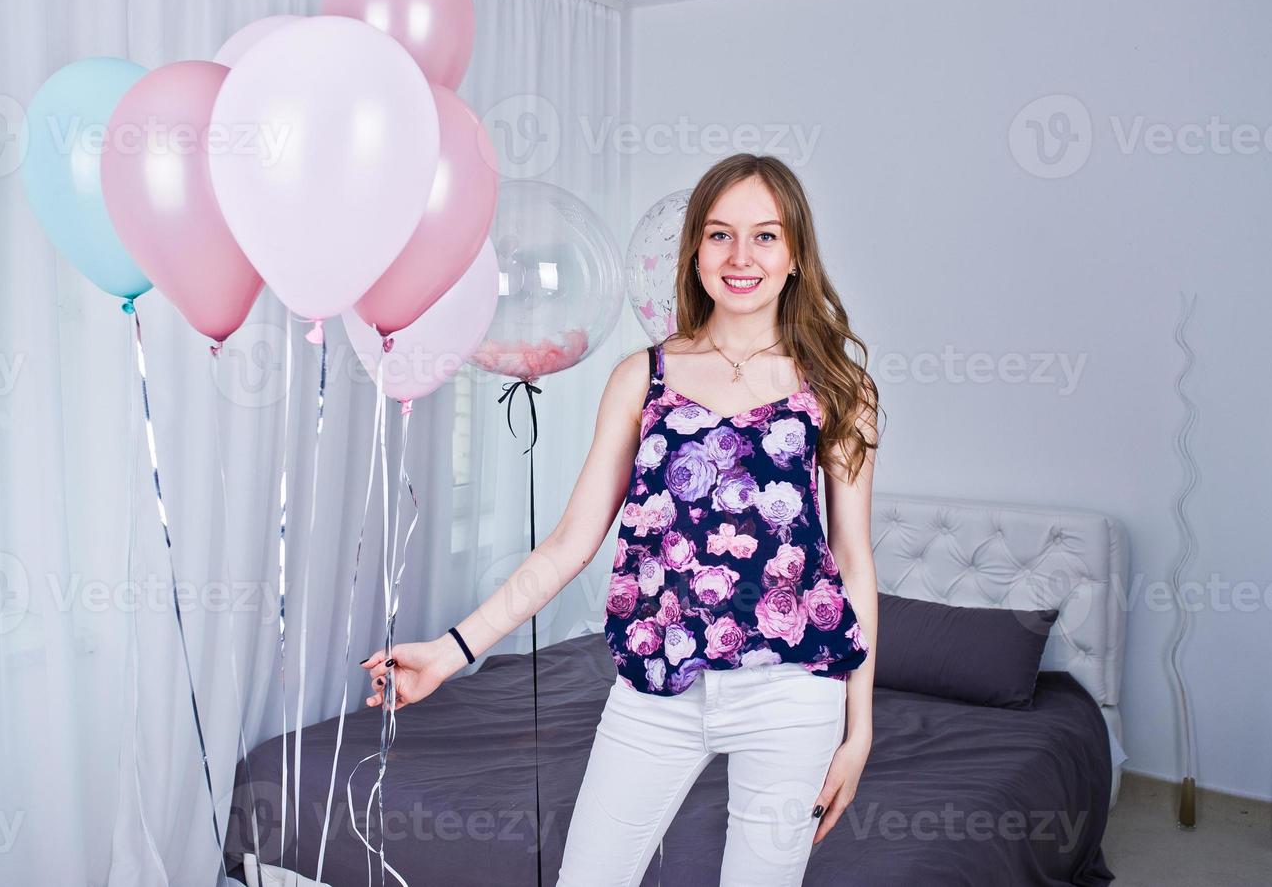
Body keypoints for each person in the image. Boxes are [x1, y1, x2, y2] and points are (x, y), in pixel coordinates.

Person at [360, 153, 881, 886]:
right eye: (718, 234)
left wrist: (857, 732)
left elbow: (852, 563)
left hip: (793, 691)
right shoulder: (643, 377)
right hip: (653, 685)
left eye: (765, 236)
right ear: (694, 250)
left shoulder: (838, 387)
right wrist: (450, 651)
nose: (740, 257)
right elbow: (570, 543)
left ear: (795, 254)